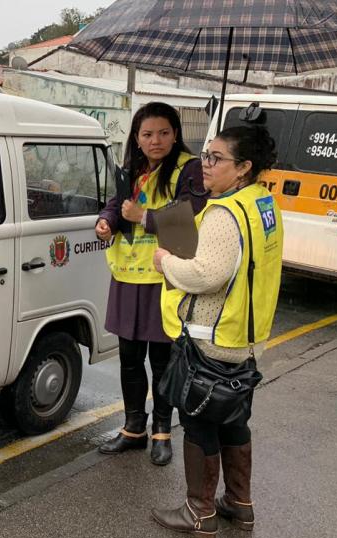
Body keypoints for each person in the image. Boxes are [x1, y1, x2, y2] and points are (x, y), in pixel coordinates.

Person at [150, 125, 283, 538]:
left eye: (216, 158)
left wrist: (165, 261)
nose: (205, 165)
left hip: (211, 335)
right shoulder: (262, 202)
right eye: (206, 155)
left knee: (198, 421)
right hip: (243, 336)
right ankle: (239, 505)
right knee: (234, 417)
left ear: (244, 167)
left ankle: (199, 511)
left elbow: (207, 274)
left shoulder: (226, 214)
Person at [95, 102, 206, 465]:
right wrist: (107, 221)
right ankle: (133, 428)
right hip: (128, 275)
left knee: (161, 359)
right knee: (129, 357)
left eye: (163, 133)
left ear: (175, 134)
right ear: (137, 139)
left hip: (165, 277)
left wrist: (144, 216)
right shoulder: (132, 168)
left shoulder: (190, 170)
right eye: (147, 134)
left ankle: (161, 431)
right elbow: (117, 203)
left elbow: (193, 216)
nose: (155, 140)